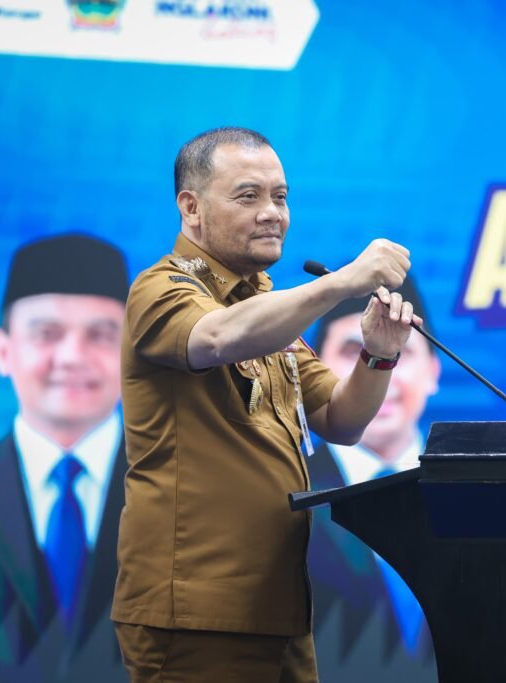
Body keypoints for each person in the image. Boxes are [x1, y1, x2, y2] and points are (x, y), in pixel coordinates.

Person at [110, 127, 420, 683]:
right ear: (191, 208)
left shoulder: (268, 310)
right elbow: (216, 338)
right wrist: (343, 283)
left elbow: (341, 420)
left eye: (280, 196)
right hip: (196, 613)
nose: (272, 213)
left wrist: (379, 354)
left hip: (277, 607)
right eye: (248, 196)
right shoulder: (160, 289)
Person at [0, 234, 130, 682]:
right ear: (3, 351)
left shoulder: (188, 491)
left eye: (101, 335)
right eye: (47, 334)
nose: (72, 357)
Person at [307, 276, 440, 682]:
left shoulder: (470, 492)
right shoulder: (289, 492)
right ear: (314, 369)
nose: (384, 370)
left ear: (433, 372)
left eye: (402, 351)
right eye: (355, 351)